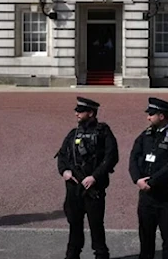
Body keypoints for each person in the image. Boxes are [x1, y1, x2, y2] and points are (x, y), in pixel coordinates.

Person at [56, 97, 119, 259]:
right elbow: (62, 156)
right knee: (74, 224)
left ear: (90, 113)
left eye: (80, 111)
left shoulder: (103, 132)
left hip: (94, 188)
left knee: (96, 224)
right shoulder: (73, 133)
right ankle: (72, 254)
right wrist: (64, 171)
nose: (76, 113)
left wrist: (94, 177)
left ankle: (101, 254)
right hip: (74, 187)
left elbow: (111, 157)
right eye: (76, 110)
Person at [128, 97, 168, 259]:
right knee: (145, 237)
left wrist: (152, 181)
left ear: (162, 116)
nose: (148, 117)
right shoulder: (146, 134)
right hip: (146, 196)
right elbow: (133, 157)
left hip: (166, 196)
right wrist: (137, 179)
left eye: (151, 114)